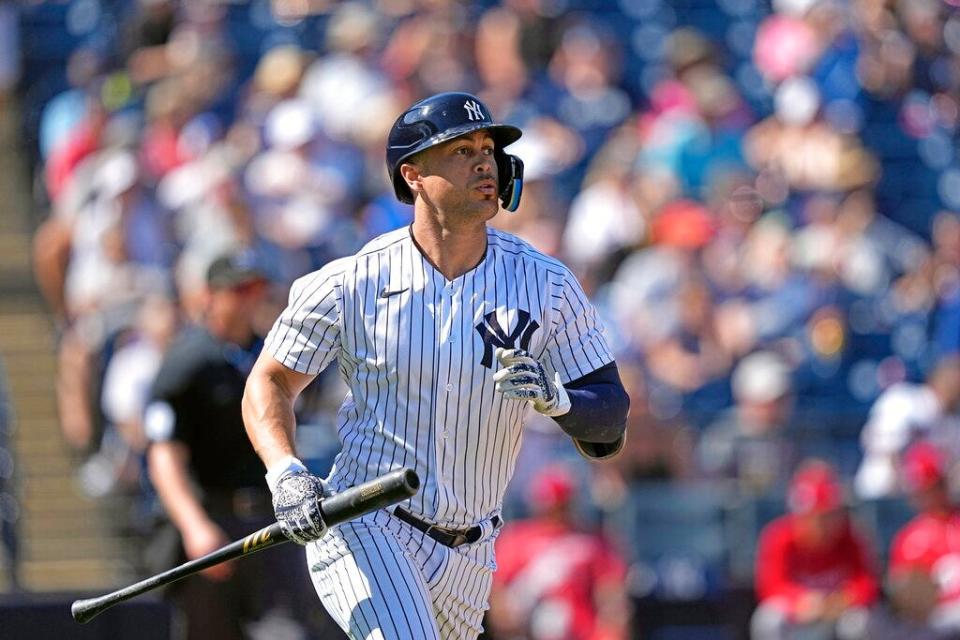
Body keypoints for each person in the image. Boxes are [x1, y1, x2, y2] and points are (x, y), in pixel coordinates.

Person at [241, 91, 630, 639]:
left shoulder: (547, 283)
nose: (483, 161)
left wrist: (560, 399)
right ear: (413, 175)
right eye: (460, 150)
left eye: (489, 149)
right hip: (368, 522)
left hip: (473, 548)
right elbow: (271, 380)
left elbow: (611, 417)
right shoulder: (351, 281)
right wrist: (286, 474)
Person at [145, 253, 330, 640]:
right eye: (240, 288)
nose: (252, 298)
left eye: (259, 288)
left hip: (273, 516)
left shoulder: (274, 355)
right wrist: (194, 525)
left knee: (287, 630)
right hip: (216, 518)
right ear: (210, 295)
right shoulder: (188, 360)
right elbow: (164, 454)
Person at [488, 464, 630, 640]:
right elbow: (498, 601)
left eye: (561, 505)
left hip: (581, 632)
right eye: (549, 505)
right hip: (527, 629)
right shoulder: (516, 539)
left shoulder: (592, 540)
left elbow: (612, 599)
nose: (554, 512)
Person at [751, 460, 879, 640]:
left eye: (830, 516)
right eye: (816, 517)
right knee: (769, 619)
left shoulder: (851, 536)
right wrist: (801, 601)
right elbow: (770, 586)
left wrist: (844, 600)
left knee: (859, 621)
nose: (824, 524)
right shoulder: (778, 536)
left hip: (838, 613)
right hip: (800, 615)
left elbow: (867, 582)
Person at [884, 441, 960, 635]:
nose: (931, 495)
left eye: (936, 485)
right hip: (934, 621)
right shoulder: (909, 539)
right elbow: (907, 598)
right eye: (924, 489)